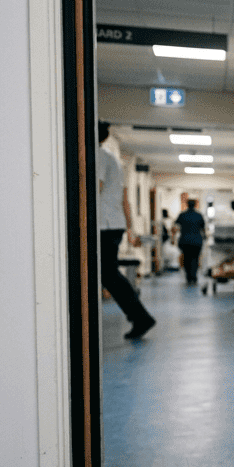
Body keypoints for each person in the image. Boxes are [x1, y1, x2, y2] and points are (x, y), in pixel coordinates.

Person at [95, 122, 155, 340]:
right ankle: (140, 317)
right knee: (107, 274)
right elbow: (124, 199)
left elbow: (95, 189)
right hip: (113, 224)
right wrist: (129, 229)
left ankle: (140, 317)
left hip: (104, 224)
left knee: (107, 274)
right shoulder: (114, 160)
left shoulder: (99, 156)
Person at [173, 199, 206, 285]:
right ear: (195, 205)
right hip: (196, 241)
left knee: (186, 259)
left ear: (187, 204)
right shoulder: (199, 215)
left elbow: (175, 225)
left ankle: (188, 277)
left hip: (185, 241)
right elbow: (203, 228)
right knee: (195, 259)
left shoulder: (182, 215)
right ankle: (194, 277)